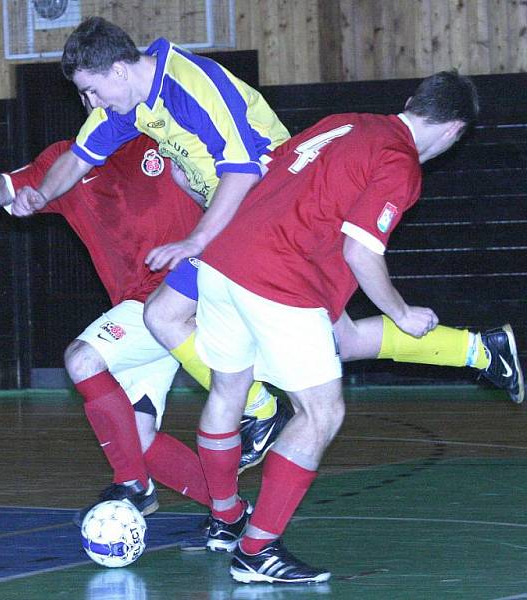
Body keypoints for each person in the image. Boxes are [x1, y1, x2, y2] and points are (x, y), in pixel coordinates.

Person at [190, 71, 493, 584]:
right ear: (453, 130)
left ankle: (224, 521)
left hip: (222, 265)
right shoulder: (400, 163)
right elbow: (361, 251)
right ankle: (256, 550)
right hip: (278, 279)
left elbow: (275, 175)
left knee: (227, 390)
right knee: (321, 412)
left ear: (410, 102)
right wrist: (401, 313)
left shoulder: (343, 122)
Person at [0, 93, 283, 523]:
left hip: (181, 295)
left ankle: (135, 485)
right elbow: (5, 191)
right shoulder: (64, 162)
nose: (97, 99)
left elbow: (229, 191)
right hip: (137, 307)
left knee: (83, 359)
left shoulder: (163, 138)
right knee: (136, 436)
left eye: (101, 87)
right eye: (87, 93)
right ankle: (233, 515)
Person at [8, 15, 293, 488]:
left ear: (119, 71)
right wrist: (41, 194)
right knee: (173, 321)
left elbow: (245, 169)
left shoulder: (192, 83)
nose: (90, 103)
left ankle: (262, 407)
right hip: (232, 216)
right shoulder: (130, 105)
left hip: (266, 207)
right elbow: (78, 158)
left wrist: (196, 239)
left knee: (164, 317)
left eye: (92, 91)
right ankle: (233, 489)